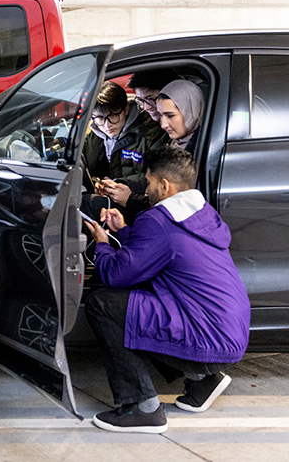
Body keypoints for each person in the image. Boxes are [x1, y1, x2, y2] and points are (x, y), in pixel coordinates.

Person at [82, 148, 250, 433]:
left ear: (164, 185)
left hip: (207, 336)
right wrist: (122, 231)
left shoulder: (158, 220)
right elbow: (157, 254)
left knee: (103, 304)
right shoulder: (200, 213)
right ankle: (203, 379)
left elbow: (116, 275)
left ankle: (141, 408)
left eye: (148, 183)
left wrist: (101, 243)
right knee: (144, 302)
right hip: (229, 334)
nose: (145, 191)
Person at [84, 81, 168, 222]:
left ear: (126, 108)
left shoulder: (151, 132)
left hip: (139, 205)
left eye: (114, 116)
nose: (107, 125)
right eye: (100, 118)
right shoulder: (95, 133)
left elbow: (157, 175)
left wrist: (120, 183)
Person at [156, 79, 204, 153]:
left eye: (170, 116)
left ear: (192, 112)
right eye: (160, 115)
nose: (163, 125)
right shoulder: (170, 143)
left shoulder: (206, 150)